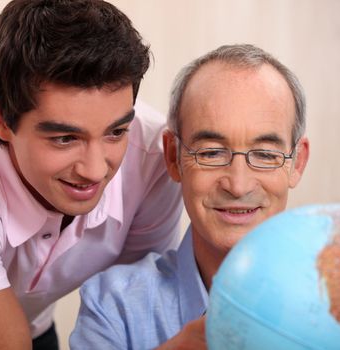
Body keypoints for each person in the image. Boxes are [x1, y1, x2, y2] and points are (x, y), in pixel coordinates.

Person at [0, 0, 183, 349]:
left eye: (116, 132)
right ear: (0, 120)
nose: (95, 170)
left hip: (31, 326)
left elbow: (136, 304)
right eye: (65, 138)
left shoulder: (155, 157)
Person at [69, 43, 310, 349]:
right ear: (173, 156)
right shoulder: (113, 305)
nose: (238, 185)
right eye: (210, 153)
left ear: (297, 163)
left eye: (264, 154)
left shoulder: (330, 300)